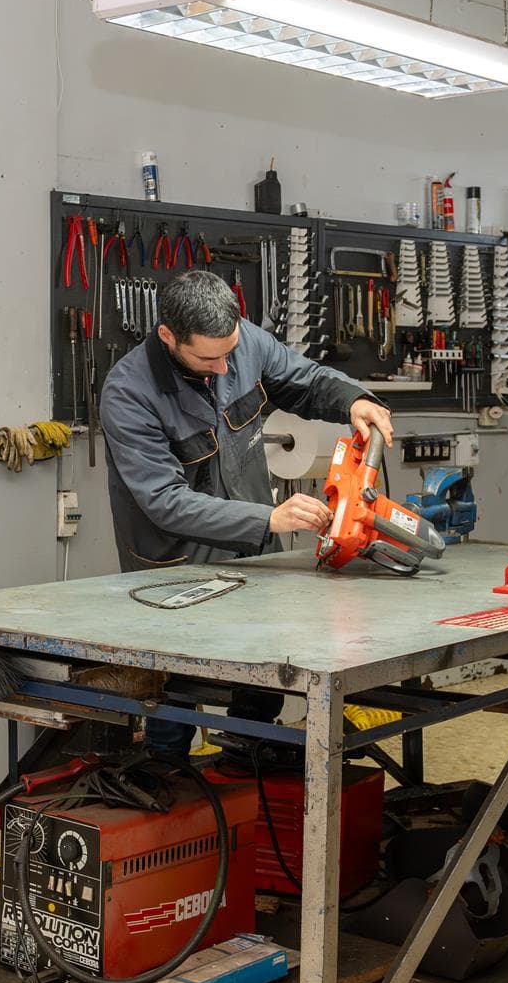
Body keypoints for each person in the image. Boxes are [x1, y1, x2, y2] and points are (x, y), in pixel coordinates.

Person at [99, 270, 393, 757]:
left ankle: (245, 762)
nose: (222, 367)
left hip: (254, 550)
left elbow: (306, 380)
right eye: (207, 358)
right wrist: (268, 520)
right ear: (168, 336)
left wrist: (354, 399)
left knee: (264, 669)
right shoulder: (129, 393)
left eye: (229, 352)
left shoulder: (243, 343)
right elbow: (164, 500)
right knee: (177, 692)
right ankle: (166, 779)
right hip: (176, 566)